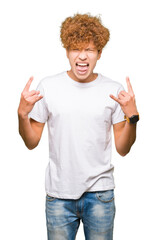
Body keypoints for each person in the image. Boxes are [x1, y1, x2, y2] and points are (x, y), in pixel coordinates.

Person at [18, 13, 139, 240]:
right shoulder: (49, 86)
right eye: (75, 49)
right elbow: (31, 141)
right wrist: (22, 115)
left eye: (90, 50)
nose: (82, 56)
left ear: (99, 53)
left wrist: (132, 117)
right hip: (59, 196)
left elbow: (123, 148)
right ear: (66, 51)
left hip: (100, 194)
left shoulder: (112, 89)